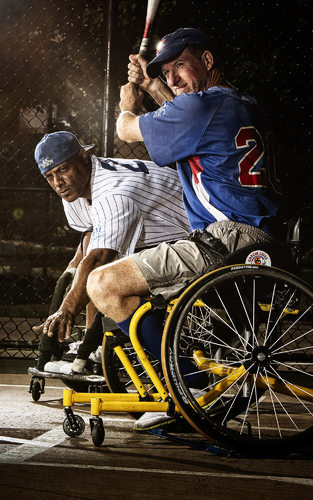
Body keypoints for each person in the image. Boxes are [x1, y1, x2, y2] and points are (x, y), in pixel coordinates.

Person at [85, 28, 284, 430]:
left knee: (103, 284)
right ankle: (187, 384)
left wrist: (129, 103)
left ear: (207, 61)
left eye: (180, 65)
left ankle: (185, 389)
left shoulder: (202, 107)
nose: (173, 78)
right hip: (262, 240)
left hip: (225, 241)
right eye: (167, 71)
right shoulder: (242, 103)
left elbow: (127, 130)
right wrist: (152, 83)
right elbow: (186, 112)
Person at [33, 130, 190, 372]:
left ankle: (185, 373)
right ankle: (92, 342)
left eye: (63, 169)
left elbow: (97, 260)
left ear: (83, 156)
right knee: (88, 272)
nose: (57, 183)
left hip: (197, 240)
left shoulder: (111, 193)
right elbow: (90, 239)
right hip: (165, 241)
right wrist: (67, 281)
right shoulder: (78, 186)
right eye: (49, 176)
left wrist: (68, 308)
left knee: (106, 281)